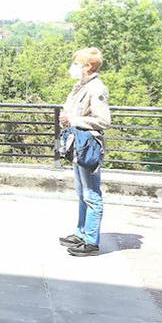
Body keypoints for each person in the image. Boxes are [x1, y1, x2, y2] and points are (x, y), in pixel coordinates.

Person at [58, 47, 111, 257]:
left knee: (91, 194)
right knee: (82, 192)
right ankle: (81, 233)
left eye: (77, 64)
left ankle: (90, 241)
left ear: (88, 66)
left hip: (88, 146)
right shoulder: (81, 86)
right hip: (78, 144)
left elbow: (103, 120)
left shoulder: (96, 88)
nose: (73, 67)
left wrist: (74, 120)